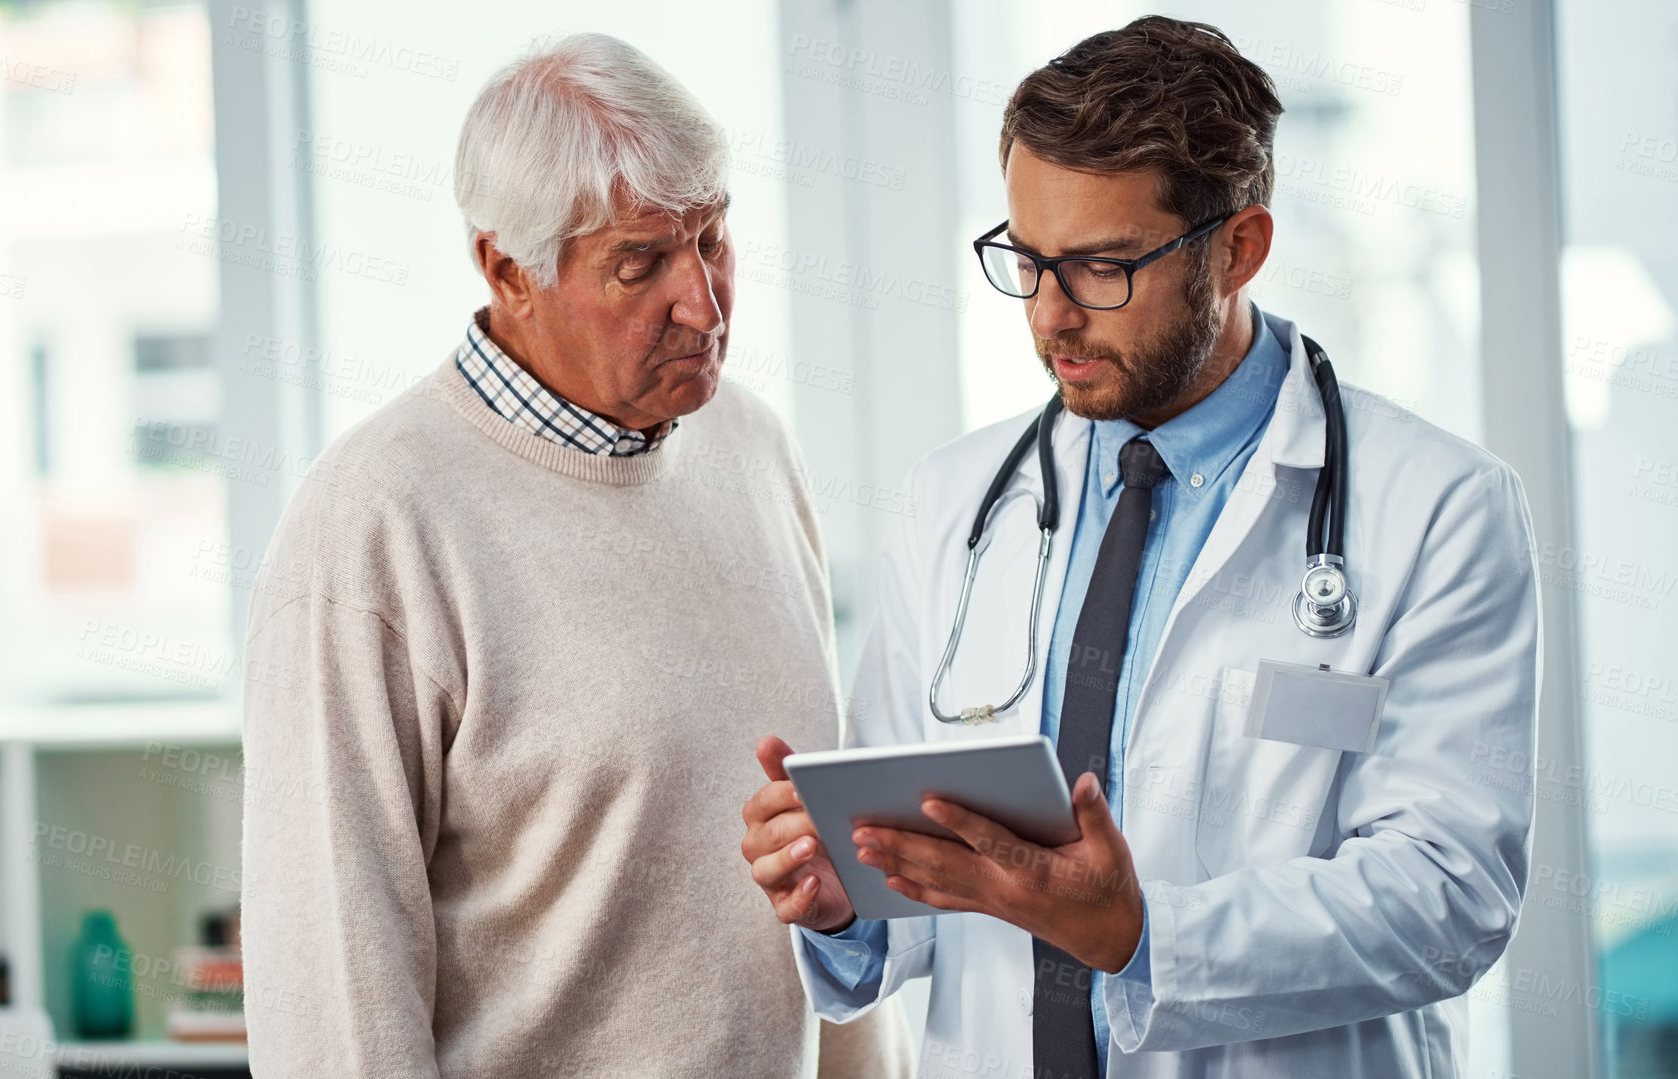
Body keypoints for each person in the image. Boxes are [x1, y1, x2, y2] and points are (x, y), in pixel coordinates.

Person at [741, 16, 1537, 1079]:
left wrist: (1141, 933)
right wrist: (851, 899)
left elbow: (1450, 895)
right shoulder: (954, 502)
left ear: (1239, 247)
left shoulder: (1438, 506)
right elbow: (936, 884)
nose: (1050, 319)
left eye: (1102, 268)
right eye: (1026, 260)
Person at [241, 32, 909, 1077]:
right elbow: (331, 990)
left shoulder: (752, 444)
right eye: (639, 262)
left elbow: (824, 857)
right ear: (508, 268)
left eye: (715, 239)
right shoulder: (373, 518)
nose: (704, 302)